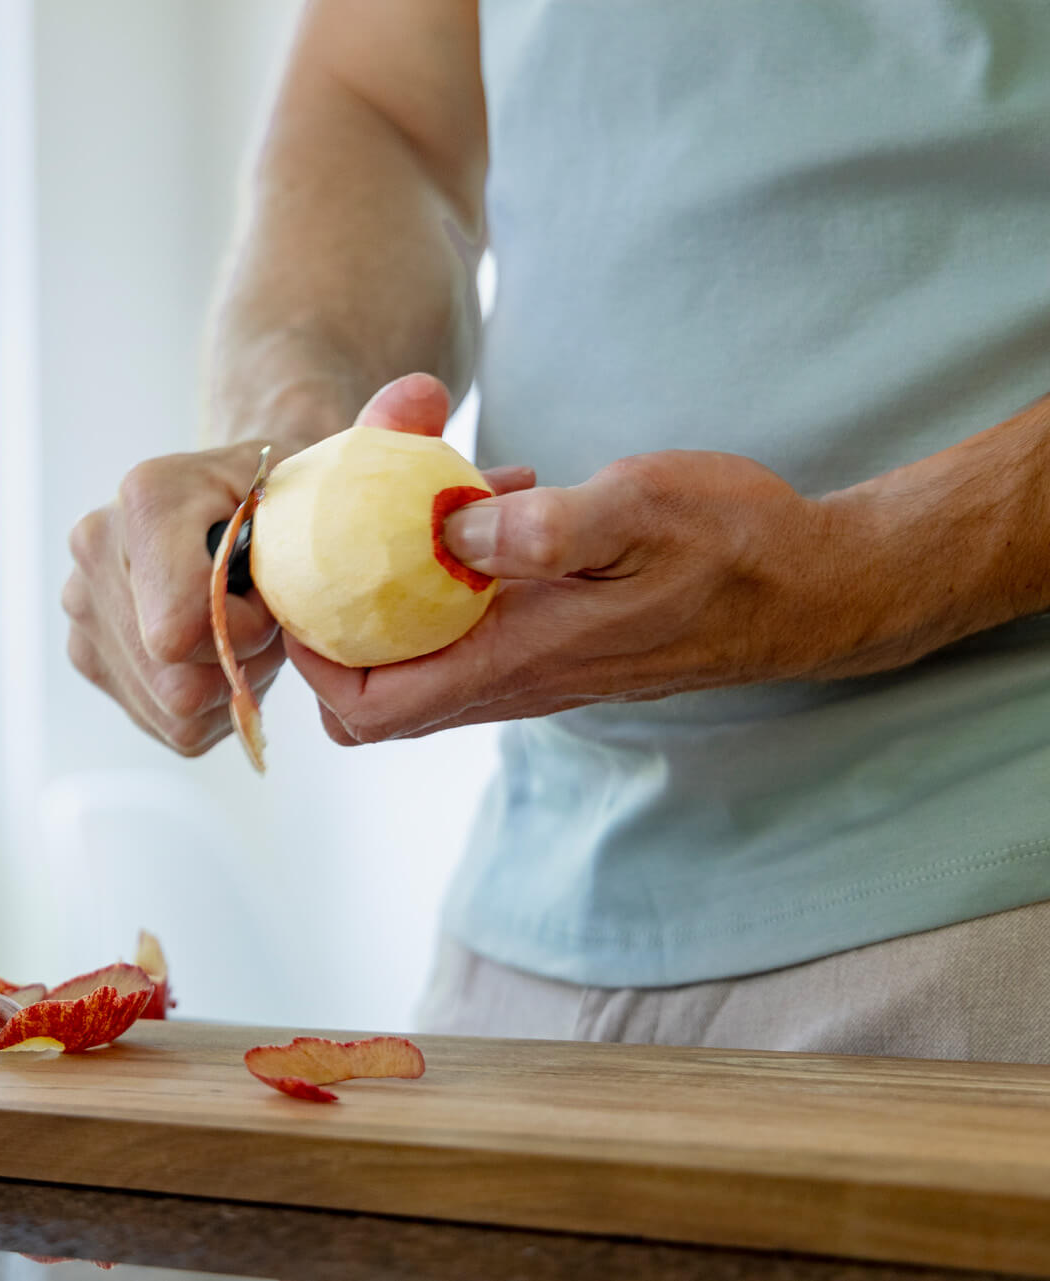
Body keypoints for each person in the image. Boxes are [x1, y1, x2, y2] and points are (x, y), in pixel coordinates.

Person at [61, 0, 1050, 1061]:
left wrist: (867, 570)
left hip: (999, 895)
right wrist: (286, 456)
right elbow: (387, 110)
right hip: (526, 937)